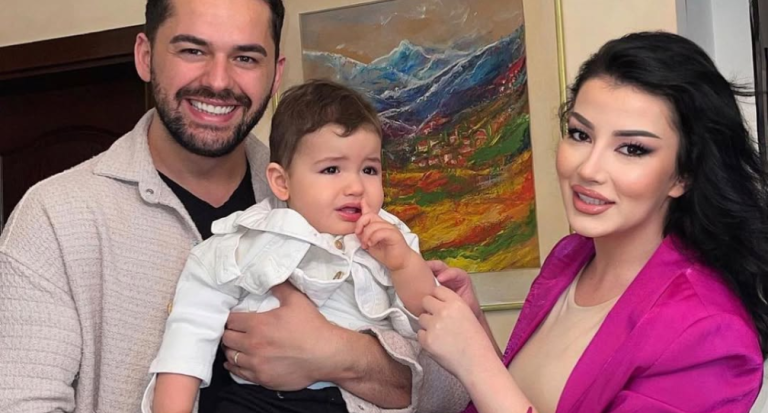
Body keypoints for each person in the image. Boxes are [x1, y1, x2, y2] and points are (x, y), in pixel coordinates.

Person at [0, 0, 469, 412]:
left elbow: (456, 391)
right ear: (145, 56)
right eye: (192, 50)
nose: (218, 81)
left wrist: (341, 355)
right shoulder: (55, 217)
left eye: (245, 57)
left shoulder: (342, 206)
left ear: (275, 74)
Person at [417, 31, 768, 413]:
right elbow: (533, 398)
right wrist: (476, 333)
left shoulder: (708, 333)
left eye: (632, 148)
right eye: (580, 134)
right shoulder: (571, 257)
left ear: (683, 175)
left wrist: (476, 363)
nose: (588, 169)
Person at [146, 79, 437, 413]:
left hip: (357, 402)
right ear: (282, 182)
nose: (356, 186)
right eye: (332, 169)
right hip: (260, 402)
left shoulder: (392, 237)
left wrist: (404, 265)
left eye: (369, 169)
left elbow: (431, 320)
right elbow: (189, 333)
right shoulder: (247, 239)